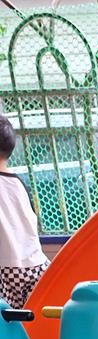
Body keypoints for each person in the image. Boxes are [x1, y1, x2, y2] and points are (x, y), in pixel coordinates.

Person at [0, 116, 49, 308]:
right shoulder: (19, 183)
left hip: (4, 271)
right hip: (36, 268)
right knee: (32, 320)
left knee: (7, 323)